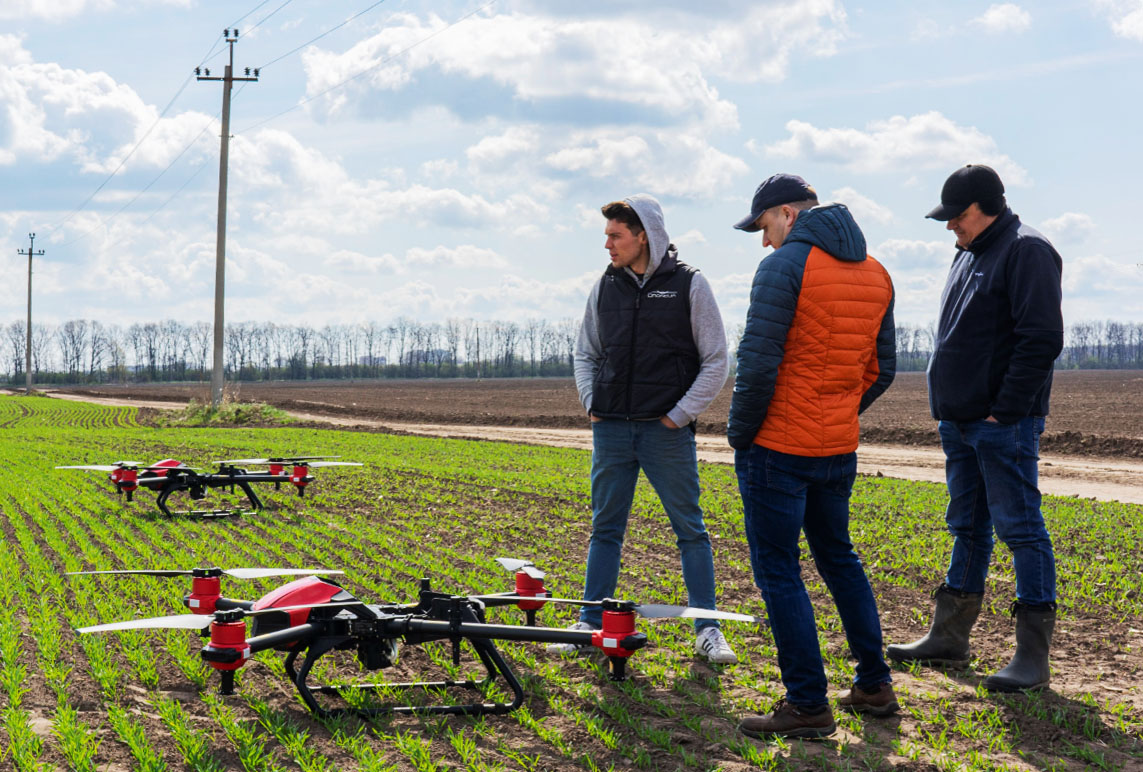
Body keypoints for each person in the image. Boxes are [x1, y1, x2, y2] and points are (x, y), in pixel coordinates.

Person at [728, 174, 897, 739]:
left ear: (788, 215)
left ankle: (806, 704)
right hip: (837, 447)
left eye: (764, 226)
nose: (763, 240)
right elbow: (882, 369)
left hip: (777, 446)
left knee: (779, 572)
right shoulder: (876, 273)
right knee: (840, 559)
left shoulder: (783, 268)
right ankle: (874, 685)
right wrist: (839, 408)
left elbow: (756, 366)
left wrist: (740, 435)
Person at [886, 164, 1063, 692]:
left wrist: (1005, 409)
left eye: (956, 216)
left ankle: (1032, 657)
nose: (949, 227)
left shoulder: (1026, 249)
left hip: (1000, 425)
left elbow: (1041, 338)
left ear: (985, 207)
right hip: (960, 423)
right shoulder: (969, 254)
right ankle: (949, 638)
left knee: (1021, 530)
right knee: (967, 526)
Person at [551, 194, 737, 665]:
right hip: (611, 429)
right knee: (605, 527)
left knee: (690, 531)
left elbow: (716, 359)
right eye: (607, 235)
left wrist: (680, 414)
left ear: (644, 235)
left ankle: (707, 629)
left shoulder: (689, 285)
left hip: (665, 432)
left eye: (615, 235)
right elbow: (585, 352)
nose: (608, 245)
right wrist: (592, 402)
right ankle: (589, 622)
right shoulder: (605, 286)